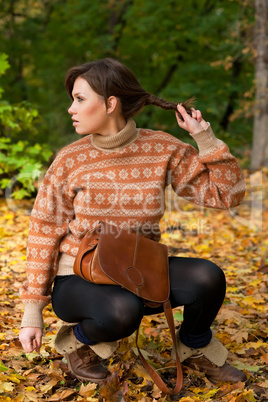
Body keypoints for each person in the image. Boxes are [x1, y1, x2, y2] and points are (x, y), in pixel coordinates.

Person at [19, 58, 247, 385]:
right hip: (80, 274)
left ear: (110, 103)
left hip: (137, 267)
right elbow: (43, 233)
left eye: (80, 99)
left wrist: (205, 139)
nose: (71, 108)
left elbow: (228, 195)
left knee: (207, 278)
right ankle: (78, 344)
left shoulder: (161, 148)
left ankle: (193, 347)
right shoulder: (70, 160)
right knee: (123, 310)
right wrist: (32, 312)